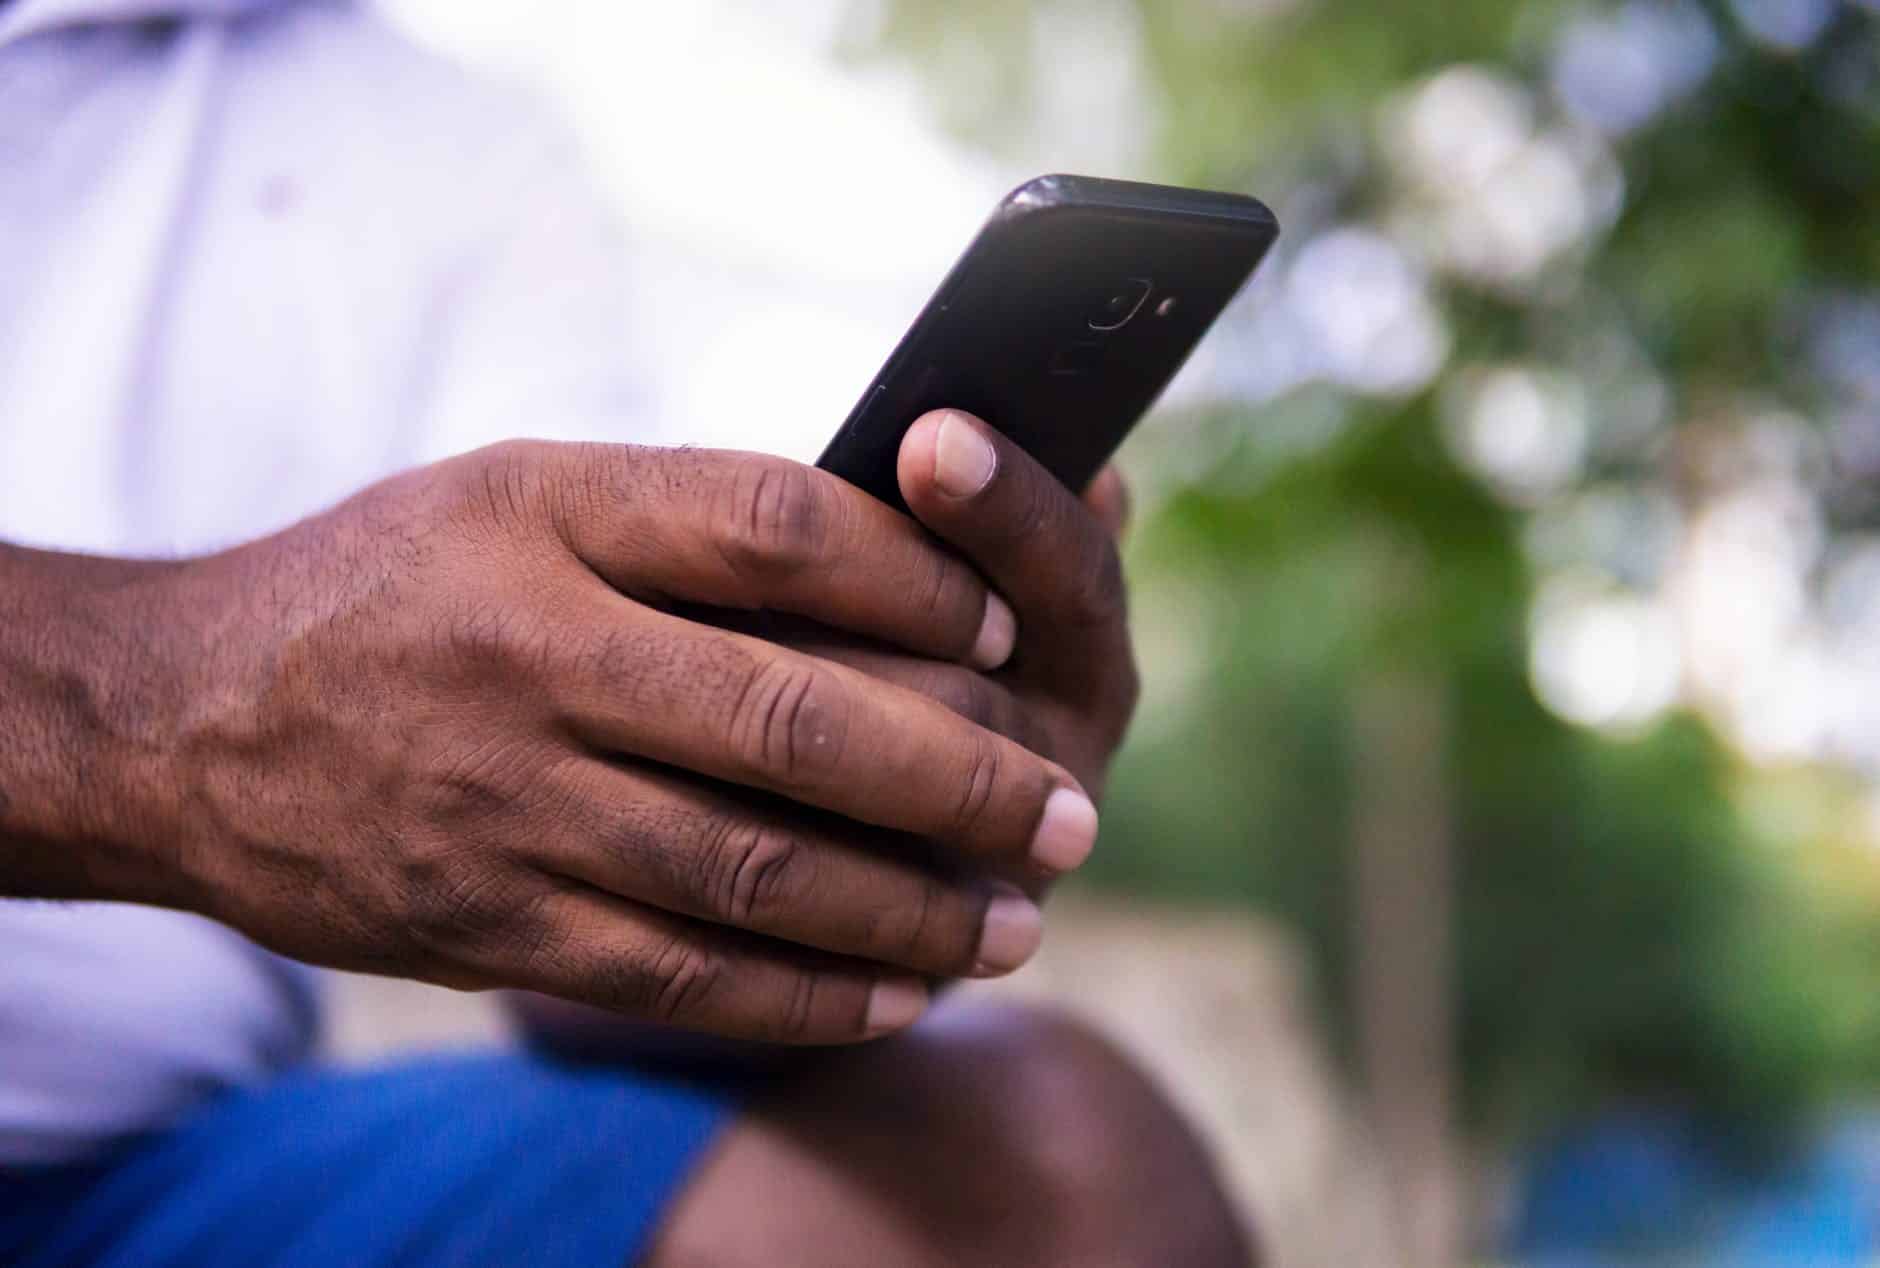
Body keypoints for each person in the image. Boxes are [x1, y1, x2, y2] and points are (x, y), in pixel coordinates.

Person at [0, 0, 1254, 1263]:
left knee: (1059, 1168)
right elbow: (230, 715)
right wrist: (168, 713)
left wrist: (803, 845)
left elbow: (543, 909)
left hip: (162, 1173)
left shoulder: (465, 148)